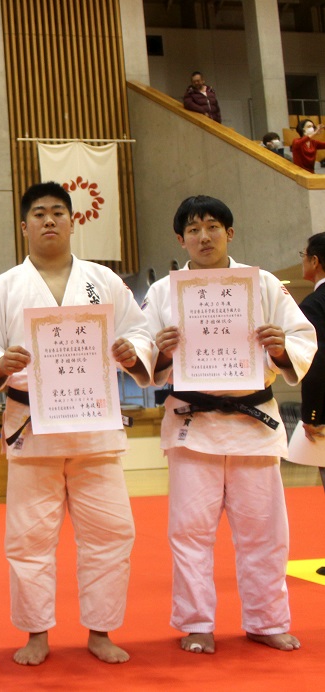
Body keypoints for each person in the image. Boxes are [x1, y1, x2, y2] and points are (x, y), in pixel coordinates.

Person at [0, 181, 153, 666]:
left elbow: (139, 330)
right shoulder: (5, 286)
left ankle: (100, 630)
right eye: (39, 213)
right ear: (25, 226)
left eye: (57, 212)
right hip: (31, 425)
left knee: (111, 534)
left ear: (73, 221)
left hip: (93, 425)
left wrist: (132, 351)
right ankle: (36, 633)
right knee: (29, 537)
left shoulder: (105, 281)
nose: (48, 220)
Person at [142, 195, 315, 655]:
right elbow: (141, 355)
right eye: (194, 229)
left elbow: (302, 339)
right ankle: (197, 622)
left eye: (213, 227)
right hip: (191, 424)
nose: (204, 236)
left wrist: (280, 348)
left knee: (264, 532)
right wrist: (160, 349)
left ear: (230, 233)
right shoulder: (163, 293)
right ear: (181, 239)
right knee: (190, 532)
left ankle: (267, 619)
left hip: (252, 425)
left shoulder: (261, 284)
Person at [297, 231, 325, 574]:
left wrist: (313, 414)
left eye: (304, 255)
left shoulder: (315, 305)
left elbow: (316, 364)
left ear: (315, 261)